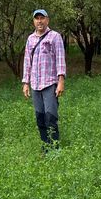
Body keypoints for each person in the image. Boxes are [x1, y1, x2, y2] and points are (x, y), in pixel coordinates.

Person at [22, 9, 66, 151]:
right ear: (34, 21)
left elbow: (60, 59)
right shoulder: (30, 39)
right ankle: (45, 145)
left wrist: (61, 82)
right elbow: (27, 61)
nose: (39, 21)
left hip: (49, 84)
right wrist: (26, 83)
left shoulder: (55, 37)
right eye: (37, 18)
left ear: (47, 20)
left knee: (50, 117)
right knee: (40, 118)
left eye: (42, 18)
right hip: (35, 84)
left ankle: (55, 148)